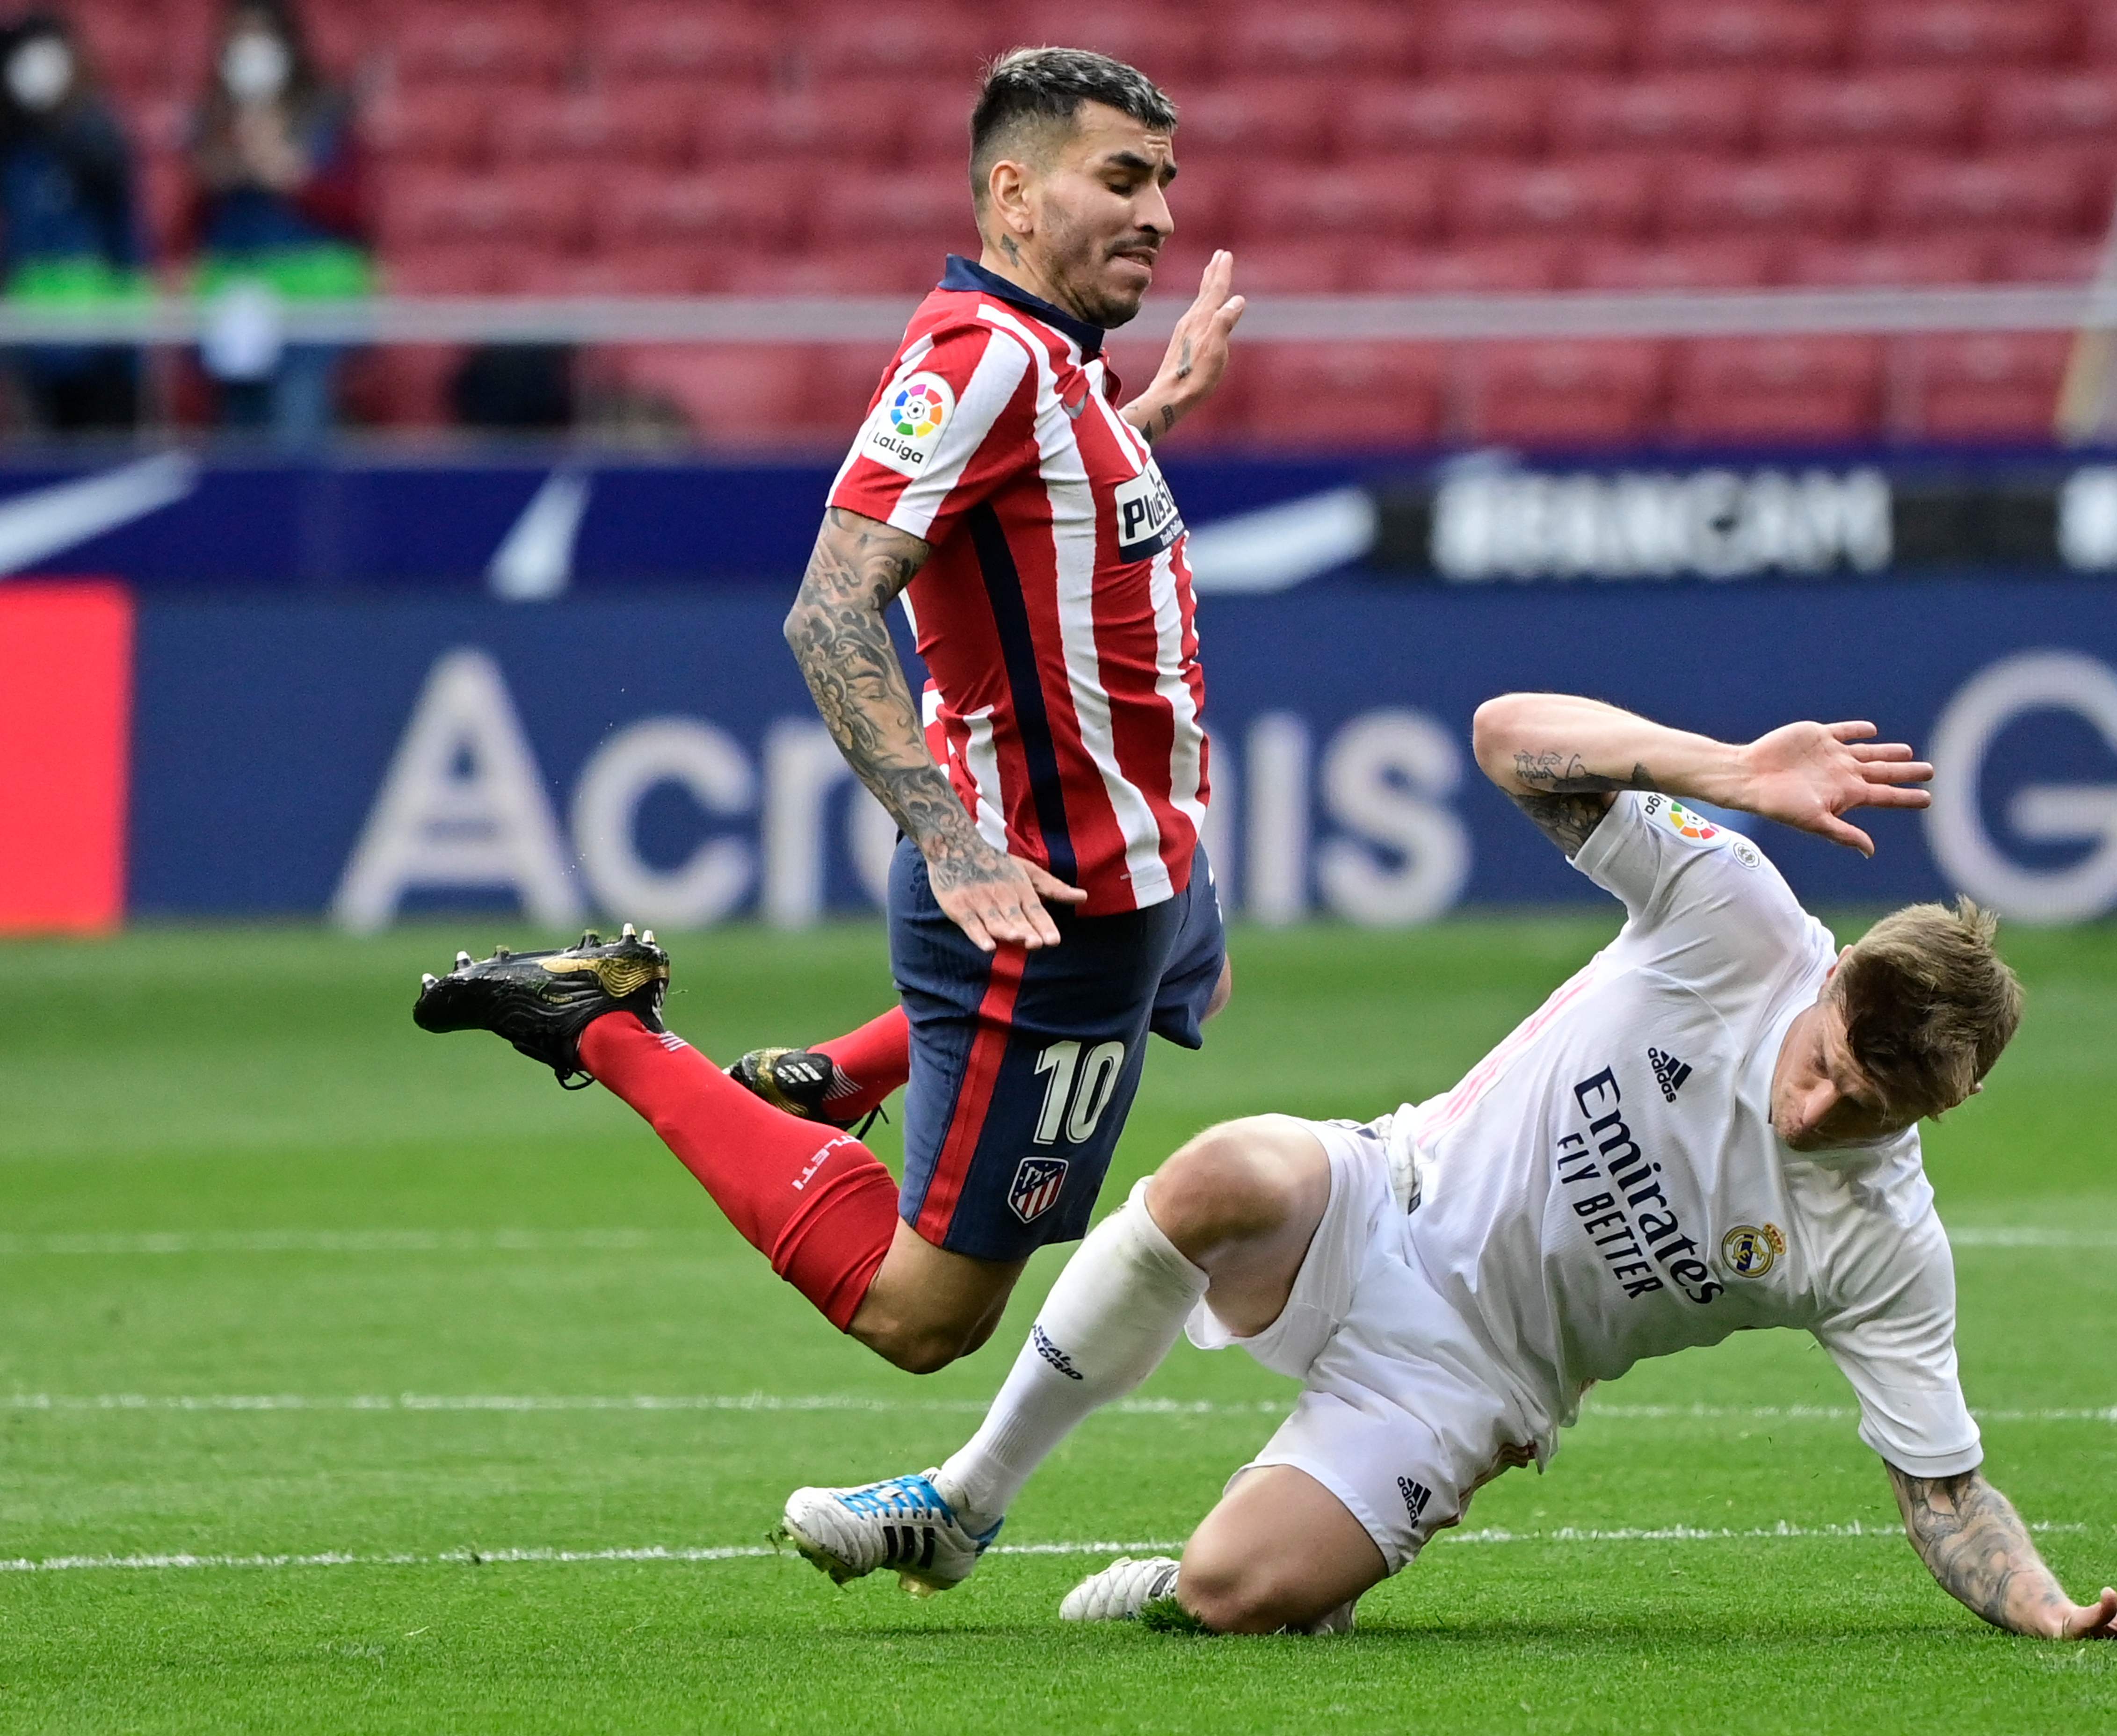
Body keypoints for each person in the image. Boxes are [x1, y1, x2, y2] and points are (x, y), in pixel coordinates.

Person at [769, 692, 2117, 1644]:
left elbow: (1941, 1497)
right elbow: (1499, 735)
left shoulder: (1882, 1246)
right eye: (1821, 1065)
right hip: (1383, 1195)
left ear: (1938, 1110)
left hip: (1468, 1382)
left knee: (1234, 1593)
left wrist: (2051, 1612)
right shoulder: (1735, 918)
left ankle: (1240, 1578)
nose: (1815, 1114)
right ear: (1827, 982)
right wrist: (1719, 767)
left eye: (1868, 1110)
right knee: (1226, 1167)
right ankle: (962, 1502)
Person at [413, 50, 1247, 1380]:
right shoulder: (978, 358)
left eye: (1167, 181)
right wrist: (955, 842)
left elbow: (1046, 511)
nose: (1158, 212)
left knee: (1192, 968)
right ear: (1016, 195)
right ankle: (602, 1027)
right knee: (926, 1318)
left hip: (1141, 854)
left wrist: (1150, 414)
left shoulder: (1063, 361)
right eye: (1124, 178)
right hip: (1051, 887)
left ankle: (841, 1074)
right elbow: (829, 610)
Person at [186, 0, 371, 444]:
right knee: (240, 443)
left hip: (309, 313)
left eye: (262, 37)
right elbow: (187, 226)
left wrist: (293, 176)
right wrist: (220, 173)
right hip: (237, 306)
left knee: (298, 432)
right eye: (239, 37)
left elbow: (359, 212)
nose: (251, 49)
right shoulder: (211, 120)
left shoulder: (328, 113)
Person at [0, 13, 145, 432]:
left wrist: (58, 113)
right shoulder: (17, 145)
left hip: (101, 343)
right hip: (34, 344)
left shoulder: (95, 131)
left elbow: (106, 169)